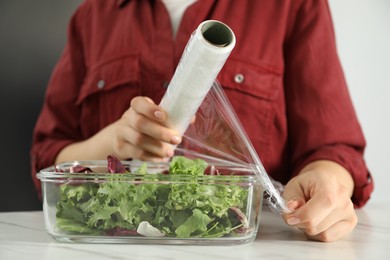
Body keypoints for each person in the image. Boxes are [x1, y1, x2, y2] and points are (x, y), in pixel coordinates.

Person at [31, 0, 373, 242]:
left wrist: (327, 183)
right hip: (112, 247)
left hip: (253, 247)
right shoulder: (92, 17)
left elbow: (333, 144)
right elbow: (48, 160)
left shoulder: (290, 5)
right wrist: (113, 144)